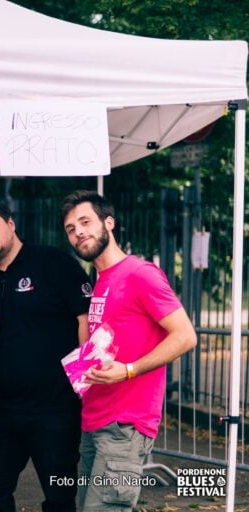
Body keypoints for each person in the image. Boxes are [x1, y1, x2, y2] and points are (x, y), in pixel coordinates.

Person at [61, 190, 196, 511]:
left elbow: (185, 336)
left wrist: (129, 369)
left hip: (125, 425)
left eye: (85, 222)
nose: (78, 232)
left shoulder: (140, 274)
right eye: (70, 228)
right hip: (94, 422)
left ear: (109, 222)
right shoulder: (101, 281)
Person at [0, 198, 91, 512]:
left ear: (10, 224)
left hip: (56, 405)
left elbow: (85, 318)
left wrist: (83, 386)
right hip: (4, 404)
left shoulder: (52, 261)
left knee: (60, 495)